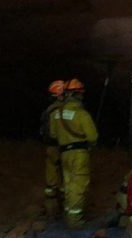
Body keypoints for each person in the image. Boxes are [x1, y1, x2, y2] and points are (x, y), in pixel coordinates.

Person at [50, 78, 99, 228]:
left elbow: (53, 134)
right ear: (78, 94)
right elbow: (93, 136)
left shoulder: (55, 113)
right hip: (79, 153)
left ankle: (68, 214)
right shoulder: (81, 114)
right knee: (78, 185)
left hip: (64, 152)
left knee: (68, 184)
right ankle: (74, 221)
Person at [40, 80, 66, 218]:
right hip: (60, 146)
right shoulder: (62, 110)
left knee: (51, 178)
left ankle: (50, 210)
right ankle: (62, 207)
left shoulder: (49, 110)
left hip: (49, 147)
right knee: (65, 175)